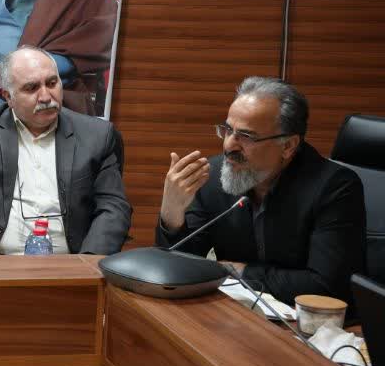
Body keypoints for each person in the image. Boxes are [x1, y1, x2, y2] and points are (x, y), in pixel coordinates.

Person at [156, 76, 365, 306]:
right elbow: (181, 268)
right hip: (238, 313)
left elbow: (326, 287)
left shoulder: (334, 187)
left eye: (246, 136)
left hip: (305, 321)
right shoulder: (213, 176)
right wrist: (171, 216)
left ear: (288, 146)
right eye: (227, 130)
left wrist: (244, 272)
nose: (229, 145)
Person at [0, 46, 131, 256]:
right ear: (8, 97)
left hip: (70, 263)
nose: (46, 96)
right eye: (32, 88)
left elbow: (114, 208)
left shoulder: (96, 135)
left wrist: (89, 261)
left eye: (52, 83)